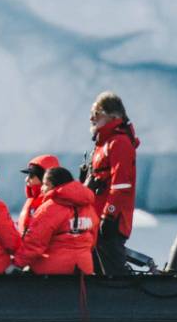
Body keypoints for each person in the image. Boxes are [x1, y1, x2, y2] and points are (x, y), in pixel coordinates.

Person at [83, 91, 140, 276]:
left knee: (113, 271)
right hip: (96, 218)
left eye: (96, 113)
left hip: (111, 221)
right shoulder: (103, 144)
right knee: (97, 268)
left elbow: (121, 185)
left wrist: (109, 216)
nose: (92, 118)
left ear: (113, 116)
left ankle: (123, 292)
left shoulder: (119, 142)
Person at [14, 166, 98, 274]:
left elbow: (34, 245)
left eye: (45, 184)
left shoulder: (49, 209)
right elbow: (93, 240)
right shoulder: (89, 208)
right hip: (83, 268)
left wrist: (17, 263)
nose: (42, 188)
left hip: (53, 272)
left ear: (55, 186)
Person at [16, 154, 60, 232]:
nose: (26, 179)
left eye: (31, 175)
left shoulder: (54, 202)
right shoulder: (32, 199)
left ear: (44, 178)